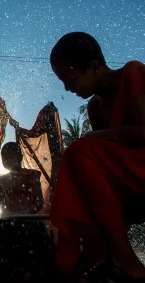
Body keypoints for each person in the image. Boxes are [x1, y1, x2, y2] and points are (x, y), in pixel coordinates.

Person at [49, 32, 145, 281]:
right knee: (83, 191)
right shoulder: (95, 107)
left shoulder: (132, 73)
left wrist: (96, 138)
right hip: (127, 176)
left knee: (79, 151)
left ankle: (126, 260)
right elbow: (100, 166)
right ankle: (100, 261)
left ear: (94, 67)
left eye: (70, 78)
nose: (67, 88)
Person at [0, 142, 43, 218]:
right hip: (8, 219)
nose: (7, 160)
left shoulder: (32, 176)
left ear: (21, 157)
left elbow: (39, 202)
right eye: (4, 158)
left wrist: (25, 213)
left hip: (29, 220)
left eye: (11, 157)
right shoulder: (0, 181)